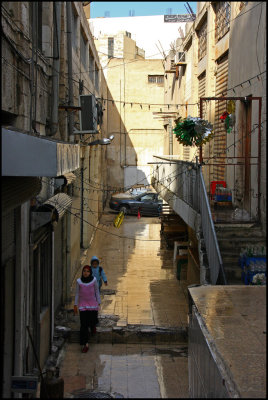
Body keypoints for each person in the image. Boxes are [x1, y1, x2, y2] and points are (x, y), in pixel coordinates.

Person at [74, 265, 101, 353]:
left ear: (90, 273)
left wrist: (99, 302)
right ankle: (85, 344)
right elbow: (77, 293)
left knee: (92, 321)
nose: (85, 273)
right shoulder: (79, 282)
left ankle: (93, 326)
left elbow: (97, 291)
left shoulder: (94, 280)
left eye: (87, 271)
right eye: (84, 271)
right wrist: (75, 305)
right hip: (83, 306)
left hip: (93, 305)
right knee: (83, 325)